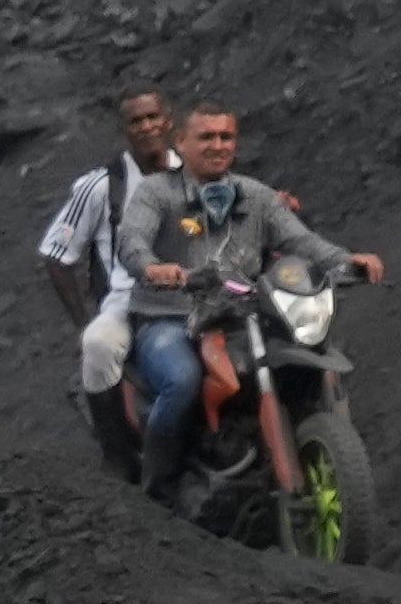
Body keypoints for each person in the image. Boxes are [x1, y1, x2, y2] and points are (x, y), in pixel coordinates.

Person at [113, 103, 374, 506]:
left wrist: (345, 261)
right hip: (170, 316)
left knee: (308, 356)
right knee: (181, 379)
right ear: (180, 142)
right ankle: (158, 488)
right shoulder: (156, 193)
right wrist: (152, 267)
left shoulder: (257, 196)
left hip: (243, 315)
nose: (218, 146)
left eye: (226, 137)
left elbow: (300, 241)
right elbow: (132, 241)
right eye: (206, 137)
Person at [34, 89, 177, 478]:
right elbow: (56, 254)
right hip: (128, 302)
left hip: (194, 294)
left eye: (152, 117)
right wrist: (84, 320)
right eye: (136, 121)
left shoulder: (196, 173)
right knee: (98, 347)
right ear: (124, 130)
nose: (146, 127)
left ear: (167, 119)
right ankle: (118, 458)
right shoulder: (101, 187)